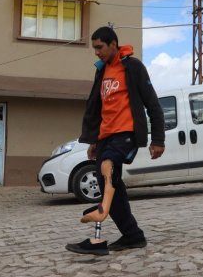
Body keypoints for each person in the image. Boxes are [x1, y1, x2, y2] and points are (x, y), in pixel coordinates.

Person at [66, 26, 165, 256]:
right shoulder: (102, 72)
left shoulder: (132, 67)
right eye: (94, 48)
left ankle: (97, 236)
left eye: (100, 47)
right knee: (111, 187)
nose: (96, 52)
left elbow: (152, 103)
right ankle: (132, 235)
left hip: (127, 133)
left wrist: (158, 138)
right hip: (106, 136)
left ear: (113, 44)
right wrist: (94, 140)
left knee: (107, 168)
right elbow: (100, 109)